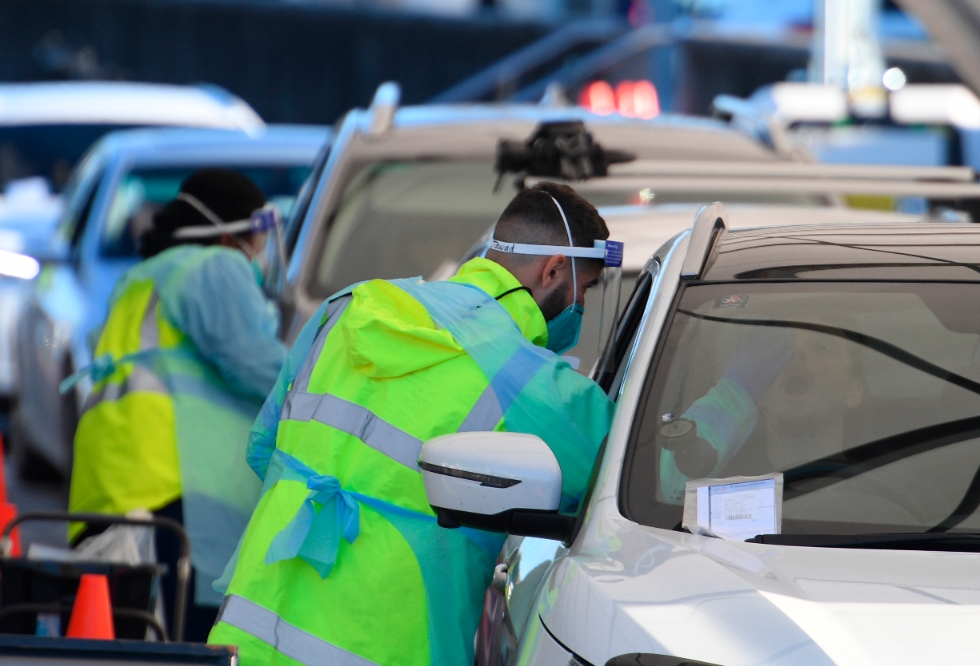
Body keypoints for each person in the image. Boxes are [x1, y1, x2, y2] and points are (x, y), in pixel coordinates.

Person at [208, 182, 617, 665]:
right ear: (553, 270)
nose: (581, 308)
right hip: (386, 646)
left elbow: (262, 448)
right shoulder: (537, 385)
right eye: (585, 290)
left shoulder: (347, 307)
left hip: (251, 630)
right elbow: (639, 485)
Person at [66, 168, 287, 641]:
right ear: (230, 236)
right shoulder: (214, 268)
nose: (261, 253)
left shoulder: (139, 279)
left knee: (124, 642)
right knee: (184, 645)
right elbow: (264, 369)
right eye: (257, 240)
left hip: (107, 490)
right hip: (171, 491)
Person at [659, 319, 865, 503]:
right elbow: (673, 495)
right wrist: (735, 392)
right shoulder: (722, 483)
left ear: (854, 392)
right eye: (783, 349)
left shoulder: (880, 478)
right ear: (759, 394)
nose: (796, 354)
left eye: (822, 347)